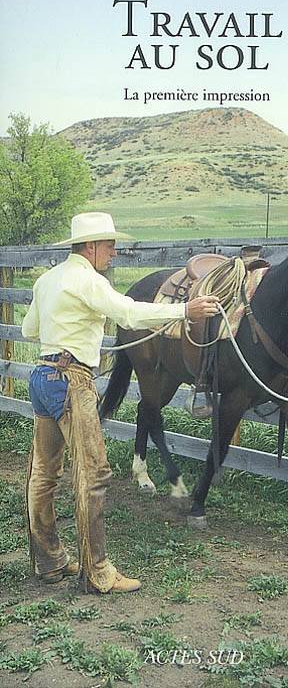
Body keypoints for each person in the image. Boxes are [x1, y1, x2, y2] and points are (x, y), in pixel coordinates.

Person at [22, 212, 219, 594]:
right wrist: (185, 310)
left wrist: (69, 323)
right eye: (109, 245)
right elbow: (129, 313)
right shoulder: (88, 280)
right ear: (91, 246)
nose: (114, 252)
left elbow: (31, 329)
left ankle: (49, 561)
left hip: (43, 376)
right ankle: (98, 572)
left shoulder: (48, 279)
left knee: (44, 474)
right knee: (93, 475)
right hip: (72, 381)